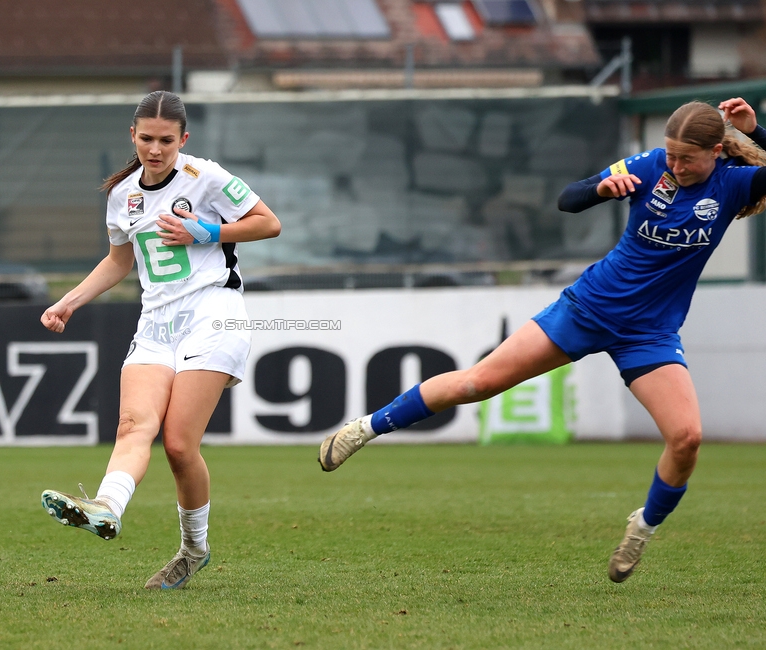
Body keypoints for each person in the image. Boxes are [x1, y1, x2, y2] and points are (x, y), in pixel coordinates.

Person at [318, 97, 766, 583]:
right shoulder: (651, 166)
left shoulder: (734, 184)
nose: (675, 165)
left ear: (718, 151)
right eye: (671, 154)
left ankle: (642, 528)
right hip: (587, 307)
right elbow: (567, 198)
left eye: (687, 159)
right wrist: (601, 187)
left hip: (649, 333)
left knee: (687, 439)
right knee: (477, 384)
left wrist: (756, 133)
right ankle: (364, 429)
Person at [39, 91, 281, 590]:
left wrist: (208, 231)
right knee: (133, 424)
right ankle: (106, 507)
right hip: (156, 321)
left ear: (183, 140)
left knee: (177, 443)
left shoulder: (205, 176)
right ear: (132, 135)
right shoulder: (121, 194)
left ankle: (194, 550)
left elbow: (268, 223)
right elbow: (119, 262)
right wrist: (69, 301)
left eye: (166, 141)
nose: (155, 149)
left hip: (214, 311)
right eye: (146, 139)